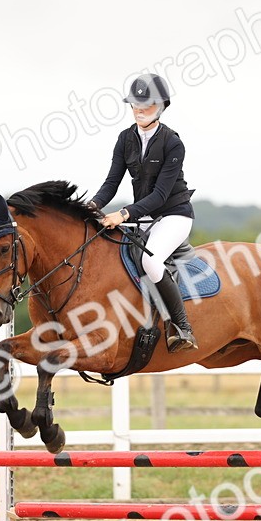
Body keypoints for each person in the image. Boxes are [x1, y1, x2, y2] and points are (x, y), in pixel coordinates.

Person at [88, 73, 198, 352]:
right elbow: (111, 183)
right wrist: (91, 206)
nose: (139, 109)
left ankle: (182, 327)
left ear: (160, 107)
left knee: (150, 262)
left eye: (146, 105)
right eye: (135, 104)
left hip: (174, 215)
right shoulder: (125, 139)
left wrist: (122, 215)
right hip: (144, 216)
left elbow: (160, 195)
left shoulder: (173, 143)